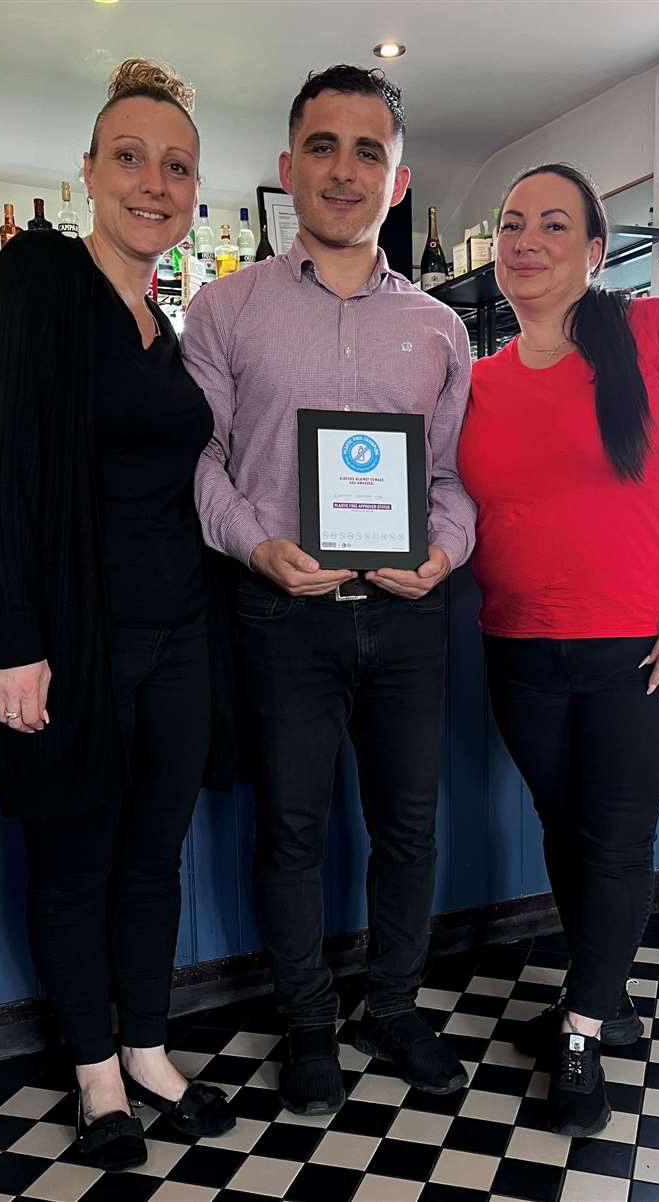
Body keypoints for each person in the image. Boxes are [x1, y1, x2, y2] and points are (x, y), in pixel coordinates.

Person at [182, 64, 476, 1116]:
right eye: (324, 146)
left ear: (398, 182)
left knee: (408, 828)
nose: (344, 169)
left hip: (409, 618)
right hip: (281, 613)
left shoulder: (441, 329)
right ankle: (310, 1021)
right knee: (292, 832)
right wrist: (258, 545)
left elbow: (451, 483)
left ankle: (392, 1005)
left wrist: (441, 553)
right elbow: (202, 462)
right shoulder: (224, 309)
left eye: (368, 151)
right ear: (286, 168)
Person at [0, 59, 236, 1171]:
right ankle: (93, 1071)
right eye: (130, 156)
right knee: (75, 857)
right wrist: (13, 638)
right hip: (71, 642)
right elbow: (1, 467)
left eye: (176, 166)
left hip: (178, 638)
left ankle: (148, 1044)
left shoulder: (162, 323)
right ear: (87, 171)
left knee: (153, 856)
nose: (154, 182)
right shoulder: (35, 277)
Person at [457, 163, 659, 1137]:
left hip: (645, 648)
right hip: (518, 648)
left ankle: (581, 1027)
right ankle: (608, 985)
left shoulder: (654, 332)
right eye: (511, 225)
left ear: (594, 252)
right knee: (562, 820)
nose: (526, 241)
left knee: (619, 833)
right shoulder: (475, 379)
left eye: (553, 225)